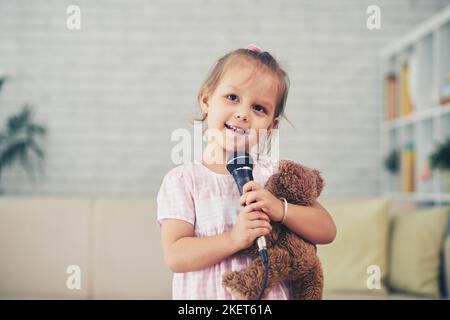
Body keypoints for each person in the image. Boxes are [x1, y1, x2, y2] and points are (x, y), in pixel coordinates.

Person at [156, 45, 336, 299]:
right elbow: (176, 256)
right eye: (232, 98)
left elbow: (327, 230)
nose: (242, 114)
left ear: (271, 125)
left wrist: (280, 208)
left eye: (259, 108)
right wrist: (234, 239)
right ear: (206, 100)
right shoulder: (184, 180)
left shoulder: (274, 173)